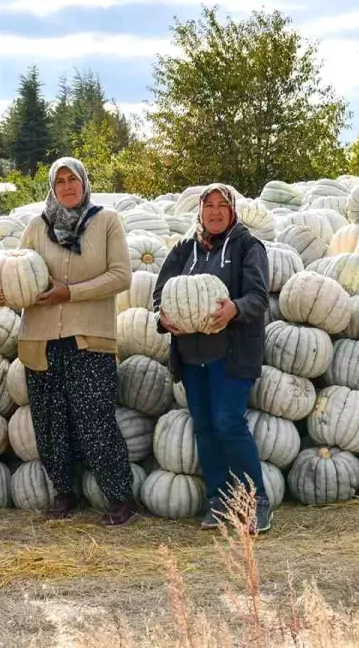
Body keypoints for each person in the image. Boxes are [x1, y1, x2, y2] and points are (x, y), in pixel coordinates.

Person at [0, 158, 136, 526]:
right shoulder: (37, 226)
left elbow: (121, 277)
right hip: (40, 339)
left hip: (90, 338)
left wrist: (70, 292)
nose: (67, 186)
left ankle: (119, 496)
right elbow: (18, 277)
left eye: (73, 179)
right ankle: (63, 492)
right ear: (52, 188)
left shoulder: (106, 221)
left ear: (84, 183)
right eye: (60, 181)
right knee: (50, 422)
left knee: (94, 418)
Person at [153, 183, 272, 534]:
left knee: (227, 423)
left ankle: (256, 502)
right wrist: (162, 318)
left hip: (231, 354)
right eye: (209, 205)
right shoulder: (183, 249)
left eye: (223, 205)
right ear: (200, 210)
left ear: (233, 210)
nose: (216, 212)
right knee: (204, 428)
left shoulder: (248, 246)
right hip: (192, 356)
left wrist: (235, 308)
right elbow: (160, 295)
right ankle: (218, 501)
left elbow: (259, 296)